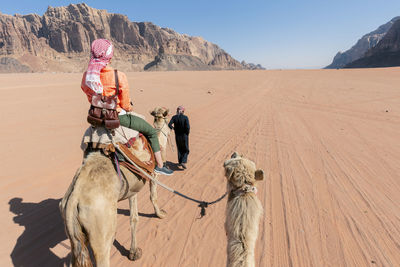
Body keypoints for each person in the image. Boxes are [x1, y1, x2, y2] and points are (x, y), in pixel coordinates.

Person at [81, 38, 173, 176]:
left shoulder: (87, 77)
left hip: (96, 117)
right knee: (152, 132)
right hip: (118, 116)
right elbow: (125, 105)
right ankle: (160, 165)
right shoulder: (119, 76)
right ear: (109, 56)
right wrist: (128, 107)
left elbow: (90, 97)